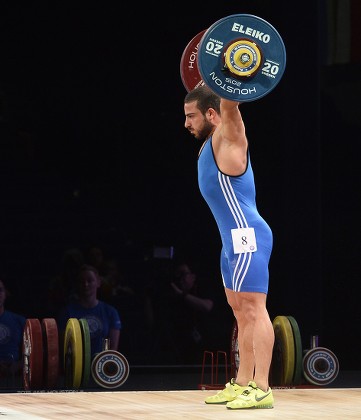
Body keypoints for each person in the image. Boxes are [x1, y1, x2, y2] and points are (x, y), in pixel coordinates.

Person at [183, 85, 274, 409]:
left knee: (254, 309)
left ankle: (261, 387)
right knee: (239, 311)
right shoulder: (208, 145)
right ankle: (242, 382)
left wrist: (226, 68)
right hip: (230, 241)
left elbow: (231, 103)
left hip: (248, 235)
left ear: (211, 114)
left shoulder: (228, 136)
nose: (186, 123)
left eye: (191, 116)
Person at [147, 261, 214, 364]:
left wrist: (182, 295)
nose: (181, 278)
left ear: (193, 276)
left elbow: (207, 306)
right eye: (178, 274)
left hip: (201, 345)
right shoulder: (170, 296)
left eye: (184, 274)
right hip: (177, 344)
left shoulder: (200, 289)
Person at [57, 264, 122, 359]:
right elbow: (64, 347)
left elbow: (113, 348)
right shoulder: (67, 312)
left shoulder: (111, 312)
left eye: (90, 280)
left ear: (98, 282)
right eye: (81, 281)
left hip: (101, 367)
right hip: (75, 369)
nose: (85, 284)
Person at [0, 279, 26, 385]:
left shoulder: (19, 321)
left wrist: (19, 364)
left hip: (15, 379)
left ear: (5, 294)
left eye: (0, 290)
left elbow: (34, 352)